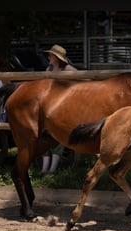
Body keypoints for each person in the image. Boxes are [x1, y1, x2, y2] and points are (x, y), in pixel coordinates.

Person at [40, 44, 77, 175]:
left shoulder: (69, 70)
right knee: (44, 135)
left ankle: (52, 169)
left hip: (64, 108)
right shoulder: (48, 69)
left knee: (60, 135)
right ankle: (44, 169)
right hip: (49, 107)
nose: (48, 56)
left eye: (50, 55)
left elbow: (84, 83)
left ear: (56, 57)